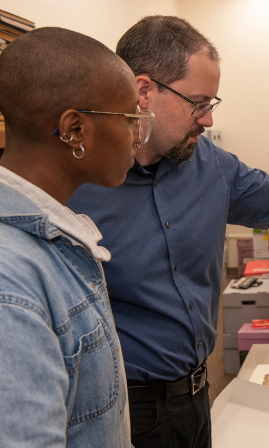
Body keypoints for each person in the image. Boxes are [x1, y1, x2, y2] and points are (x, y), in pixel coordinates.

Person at [67, 15, 269, 448]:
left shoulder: (211, 165)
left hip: (199, 394)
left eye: (211, 105)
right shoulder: (75, 181)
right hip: (120, 410)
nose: (206, 120)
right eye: (197, 103)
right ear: (144, 91)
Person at [0, 27, 154, 447]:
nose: (138, 136)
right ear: (74, 130)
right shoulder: (11, 282)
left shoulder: (55, 238)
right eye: (129, 119)